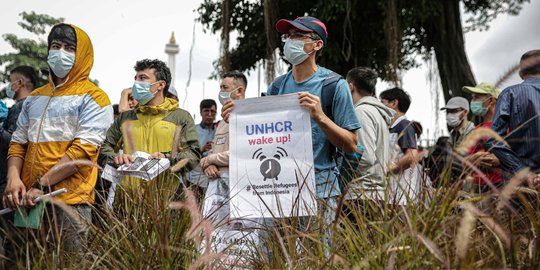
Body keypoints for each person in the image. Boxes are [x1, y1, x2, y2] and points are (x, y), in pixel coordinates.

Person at [221, 16, 361, 255]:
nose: (290, 41)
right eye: (288, 36)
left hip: (319, 191)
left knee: (317, 258)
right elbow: (263, 132)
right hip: (278, 189)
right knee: (272, 257)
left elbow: (351, 145)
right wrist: (237, 119)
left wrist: (320, 117)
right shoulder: (277, 87)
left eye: (298, 36)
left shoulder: (333, 85)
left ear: (317, 45)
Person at [2, 24, 114, 253]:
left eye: (69, 48)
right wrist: (13, 179)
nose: (60, 52)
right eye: (56, 46)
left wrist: (40, 185)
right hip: (26, 203)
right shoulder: (34, 98)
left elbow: (81, 152)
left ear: (81, 55)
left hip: (69, 203)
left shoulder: (95, 98)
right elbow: (18, 144)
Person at [100, 59, 200, 198]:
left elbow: (193, 156)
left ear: (160, 85)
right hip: (127, 203)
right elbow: (104, 148)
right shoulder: (125, 118)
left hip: (166, 205)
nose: (136, 84)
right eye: (135, 79)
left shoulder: (181, 117)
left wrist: (167, 158)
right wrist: (116, 157)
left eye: (143, 78)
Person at [200, 71, 247, 226]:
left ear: (239, 91)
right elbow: (213, 152)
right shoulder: (221, 123)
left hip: (242, 189)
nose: (221, 92)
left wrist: (209, 160)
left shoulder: (250, 117)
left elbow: (245, 154)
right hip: (216, 192)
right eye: (220, 88)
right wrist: (209, 166)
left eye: (225, 88)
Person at [487, 50, 540, 185]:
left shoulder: (509, 94)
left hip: (518, 185)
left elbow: (493, 139)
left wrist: (522, 172)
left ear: (520, 72)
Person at [344, 67, 394, 202]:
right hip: (375, 194)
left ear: (350, 87)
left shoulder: (361, 112)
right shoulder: (377, 112)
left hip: (360, 196)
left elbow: (364, 157)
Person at [380, 87, 421, 205]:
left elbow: (411, 156)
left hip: (402, 196)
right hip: (391, 193)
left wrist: (386, 170)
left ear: (394, 103)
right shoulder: (390, 128)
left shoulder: (404, 125)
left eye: (383, 102)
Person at [0, 66, 38, 195]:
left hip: (10, 180)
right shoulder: (35, 105)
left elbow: (14, 142)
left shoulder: (21, 107)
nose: (9, 86)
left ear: (20, 83)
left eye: (11, 81)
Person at [461, 83, 503, 193]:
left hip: (501, 188)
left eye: (477, 97)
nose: (473, 101)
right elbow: (464, 164)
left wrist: (501, 159)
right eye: (472, 98)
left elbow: (521, 158)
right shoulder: (475, 131)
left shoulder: (507, 127)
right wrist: (475, 158)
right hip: (478, 189)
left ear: (492, 101)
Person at [187, 99, 217, 189]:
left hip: (214, 177)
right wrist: (201, 149)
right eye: (206, 111)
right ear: (201, 113)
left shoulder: (219, 131)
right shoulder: (192, 131)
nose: (209, 114)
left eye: (212, 111)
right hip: (194, 180)